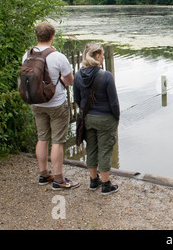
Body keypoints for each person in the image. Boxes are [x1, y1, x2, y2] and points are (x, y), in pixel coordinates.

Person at [23, 22, 80, 190]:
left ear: (37, 36)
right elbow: (70, 81)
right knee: (58, 141)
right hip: (56, 104)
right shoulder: (58, 57)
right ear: (52, 36)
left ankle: (43, 174)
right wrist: (61, 79)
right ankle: (59, 179)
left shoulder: (27, 55)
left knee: (42, 138)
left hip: (36, 102)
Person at [73, 43, 120, 195]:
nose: (104, 57)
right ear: (98, 56)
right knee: (105, 150)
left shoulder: (78, 75)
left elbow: (77, 98)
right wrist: (116, 118)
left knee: (91, 149)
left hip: (88, 119)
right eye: (103, 55)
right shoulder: (106, 76)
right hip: (105, 118)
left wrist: (88, 111)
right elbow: (113, 101)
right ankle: (106, 184)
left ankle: (94, 181)